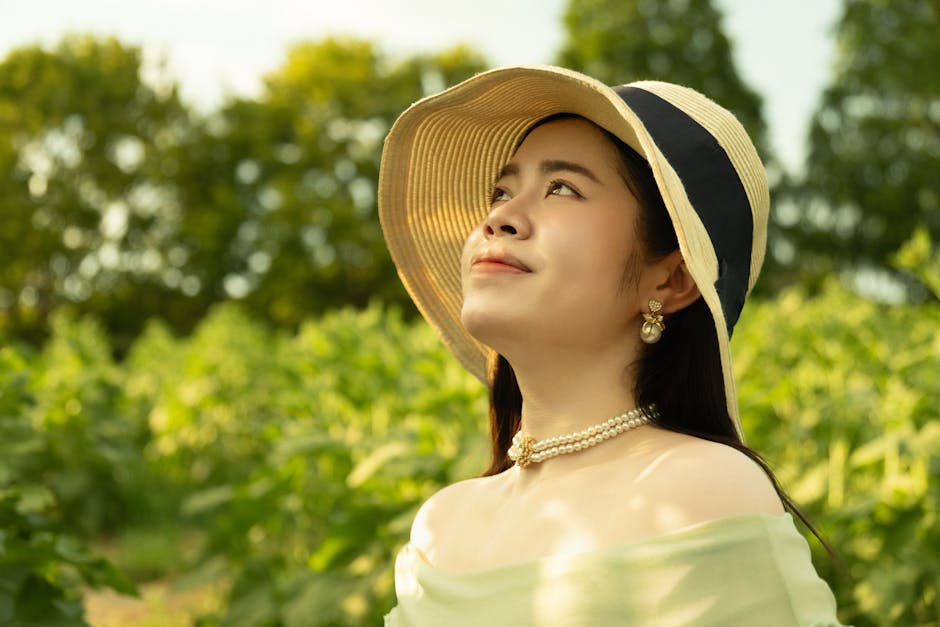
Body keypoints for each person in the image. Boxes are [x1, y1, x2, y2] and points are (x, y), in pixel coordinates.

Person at [377, 65, 846, 626]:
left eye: (562, 188)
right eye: (501, 191)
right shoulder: (439, 526)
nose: (500, 217)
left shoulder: (700, 491)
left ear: (670, 280)